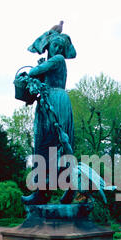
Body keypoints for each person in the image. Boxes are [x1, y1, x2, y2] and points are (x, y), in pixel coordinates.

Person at [21, 29, 77, 205]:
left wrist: (38, 69)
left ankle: (52, 190)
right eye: (55, 45)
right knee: (51, 145)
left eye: (61, 47)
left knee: (49, 143)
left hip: (54, 100)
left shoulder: (57, 60)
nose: (58, 49)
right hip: (53, 98)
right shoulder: (54, 61)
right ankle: (49, 190)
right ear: (49, 46)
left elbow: (32, 72)